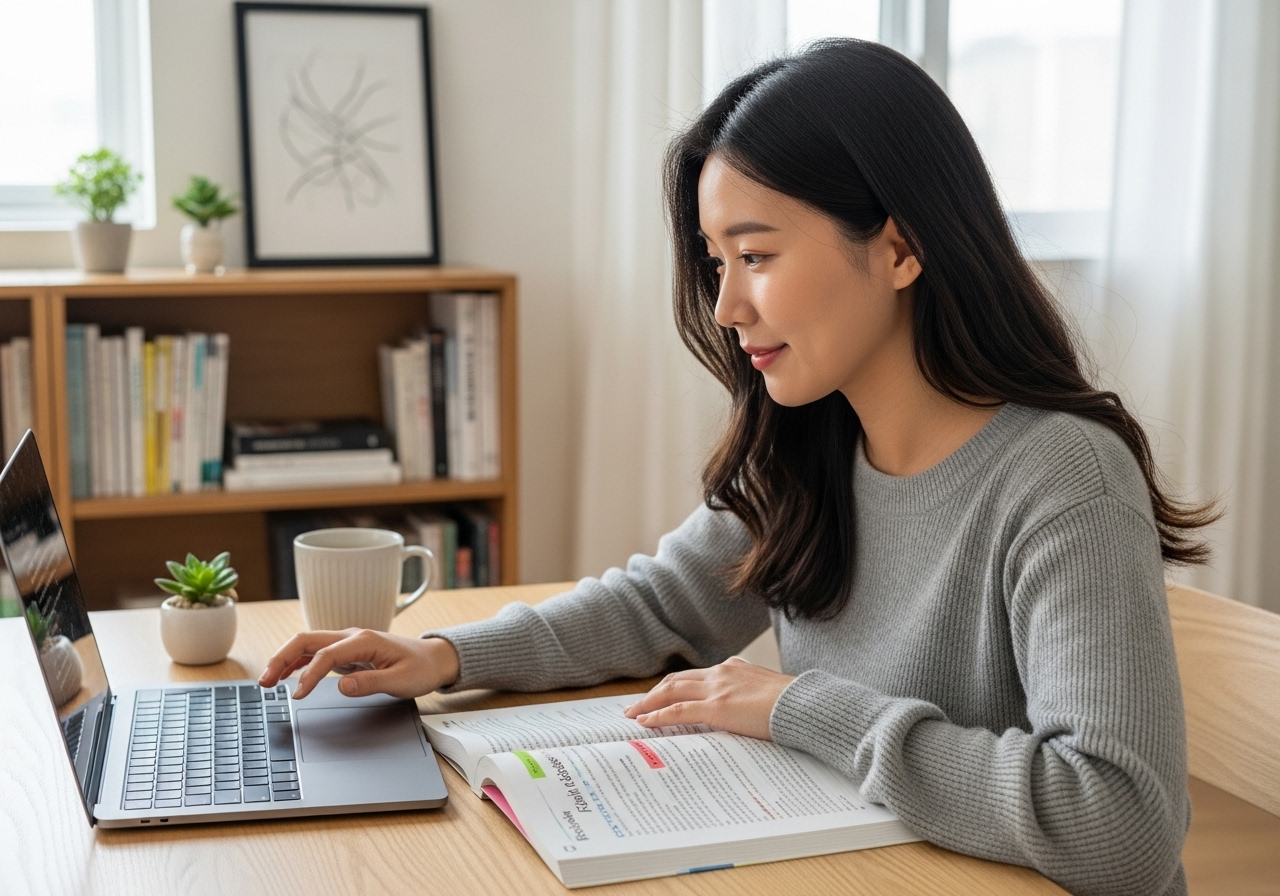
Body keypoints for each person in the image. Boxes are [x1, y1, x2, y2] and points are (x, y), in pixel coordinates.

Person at [259, 39, 1214, 896]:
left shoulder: (1063, 480)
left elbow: (1118, 825)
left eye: (755, 255)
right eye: (716, 261)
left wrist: (804, 709)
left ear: (901, 245)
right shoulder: (816, 442)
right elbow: (664, 604)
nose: (725, 307)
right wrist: (448, 657)